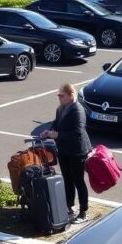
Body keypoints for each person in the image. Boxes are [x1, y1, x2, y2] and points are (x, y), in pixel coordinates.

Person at [39, 84, 92, 224]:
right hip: (64, 150)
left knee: (78, 181)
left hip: (77, 151)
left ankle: (84, 212)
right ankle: (70, 207)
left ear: (71, 95)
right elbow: (56, 124)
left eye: (61, 95)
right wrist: (48, 132)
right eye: (58, 95)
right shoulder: (61, 109)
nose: (59, 98)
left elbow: (77, 133)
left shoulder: (77, 110)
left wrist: (56, 135)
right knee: (67, 180)